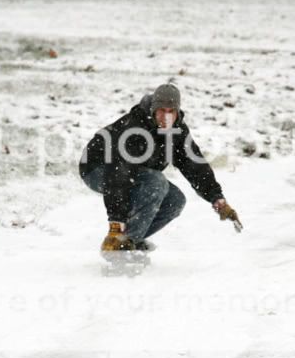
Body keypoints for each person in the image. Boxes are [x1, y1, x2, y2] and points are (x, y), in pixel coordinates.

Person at [79, 83, 242, 256]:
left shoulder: (177, 132)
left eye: (171, 111)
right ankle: (120, 244)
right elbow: (118, 173)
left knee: (175, 200)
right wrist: (116, 222)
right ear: (153, 110)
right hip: (98, 168)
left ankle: (129, 240)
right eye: (161, 111)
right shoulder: (134, 129)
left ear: (177, 112)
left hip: (133, 172)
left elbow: (195, 165)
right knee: (156, 183)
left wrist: (217, 199)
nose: (166, 117)